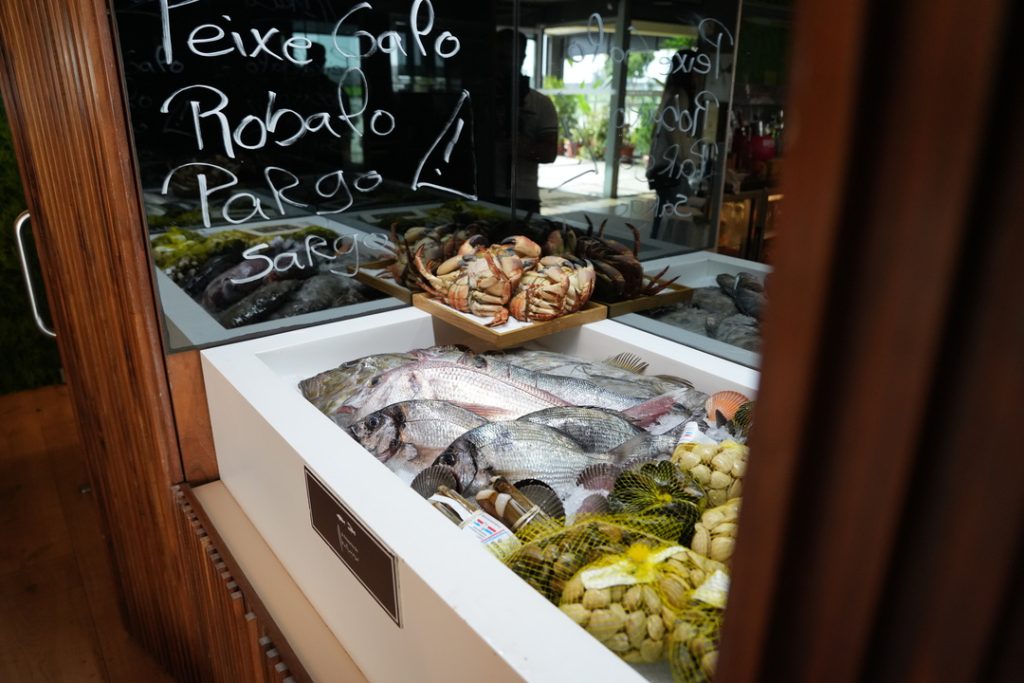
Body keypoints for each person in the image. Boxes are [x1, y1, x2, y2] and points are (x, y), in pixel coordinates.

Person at [493, 29, 558, 214]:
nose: (502, 65)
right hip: (486, 192)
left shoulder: (540, 104)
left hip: (523, 197)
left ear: (521, 58)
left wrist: (519, 144)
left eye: (507, 57)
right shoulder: (482, 101)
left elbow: (549, 153)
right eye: (498, 57)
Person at [646, 49, 701, 238]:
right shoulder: (679, 97)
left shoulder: (671, 95)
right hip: (673, 168)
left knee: (662, 216)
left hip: (664, 167)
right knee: (673, 220)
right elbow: (679, 138)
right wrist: (694, 161)